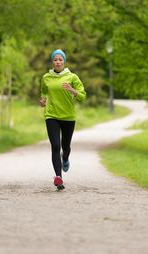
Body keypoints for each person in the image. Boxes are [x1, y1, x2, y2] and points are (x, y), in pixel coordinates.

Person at [39, 49, 86, 190]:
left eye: (60, 59)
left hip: (68, 116)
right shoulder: (46, 77)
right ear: (52, 61)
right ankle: (58, 177)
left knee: (65, 147)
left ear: (64, 61)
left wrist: (72, 90)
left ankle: (65, 158)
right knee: (55, 146)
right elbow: (44, 92)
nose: (58, 62)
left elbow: (82, 96)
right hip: (51, 115)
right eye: (55, 59)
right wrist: (43, 101)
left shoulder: (72, 77)